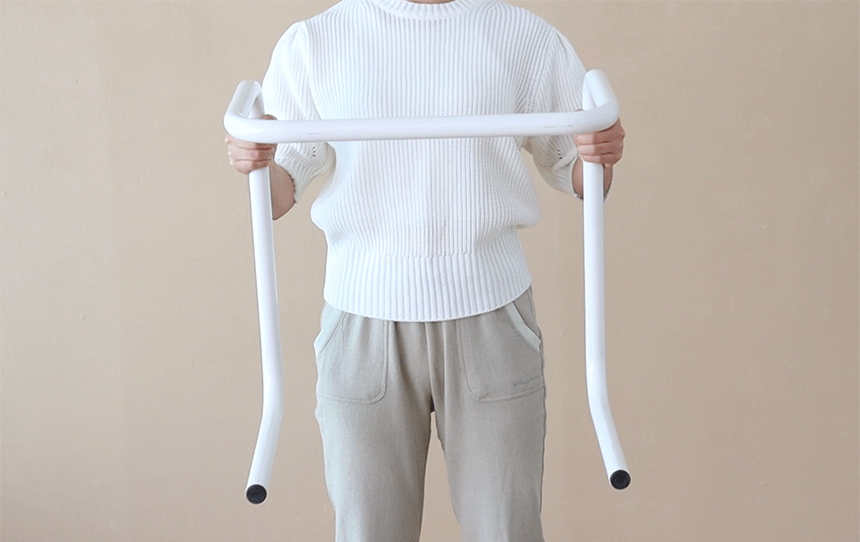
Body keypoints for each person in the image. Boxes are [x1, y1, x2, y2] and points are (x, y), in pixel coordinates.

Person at [225, 0, 624, 540]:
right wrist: (255, 161)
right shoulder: (316, 42)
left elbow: (577, 171)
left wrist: (599, 152)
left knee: (505, 530)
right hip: (362, 324)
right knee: (368, 532)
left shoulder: (522, 35)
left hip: (492, 318)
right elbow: (278, 192)